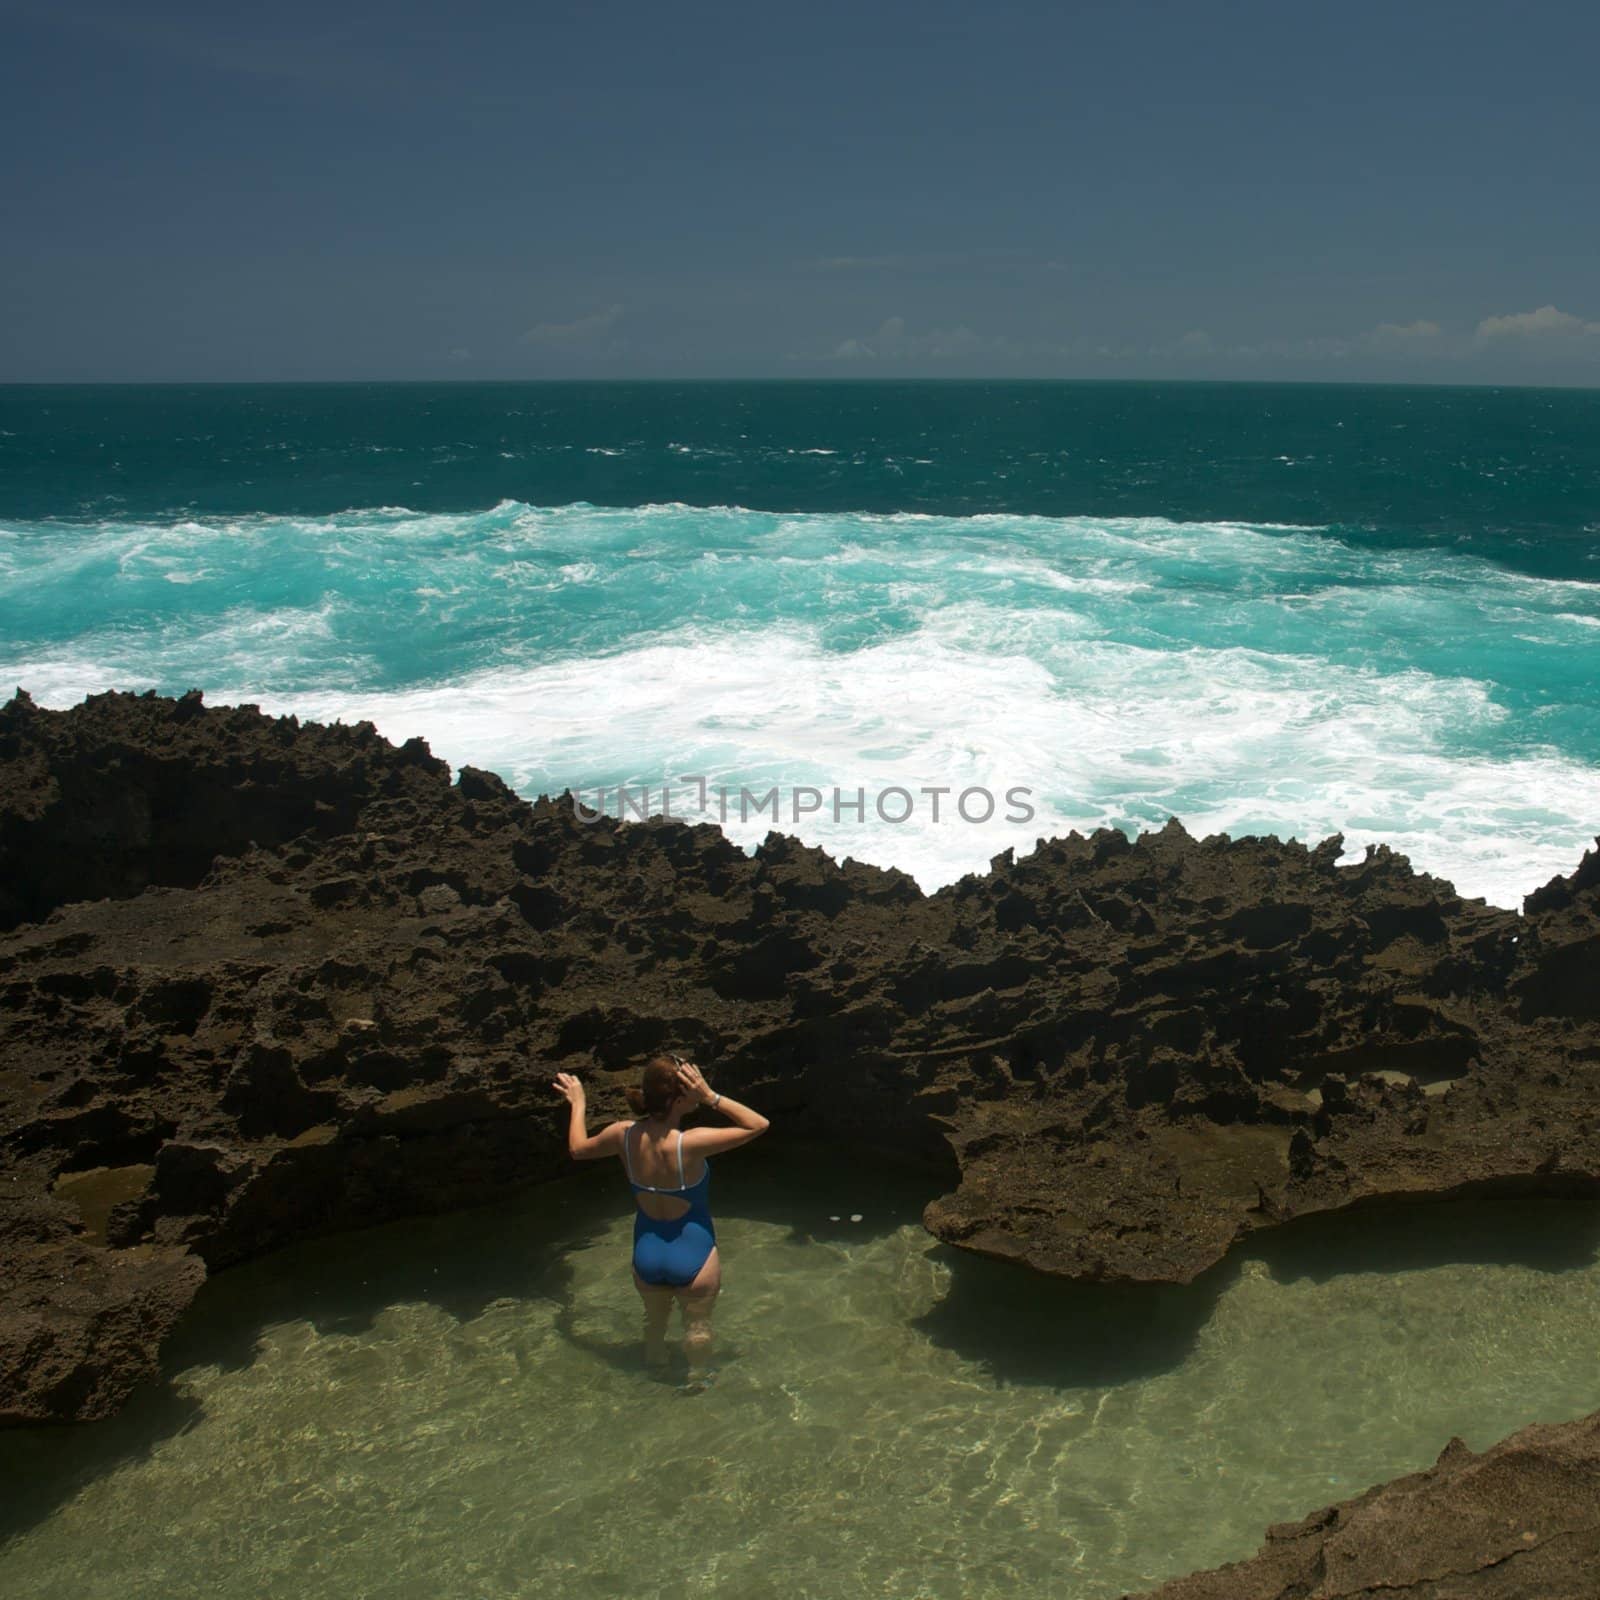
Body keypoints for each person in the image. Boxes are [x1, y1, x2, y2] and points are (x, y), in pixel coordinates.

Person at [553, 1053, 769, 1373]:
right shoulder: (690, 1143)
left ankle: (655, 1365)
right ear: (681, 1098)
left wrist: (578, 1101)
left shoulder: (623, 1135)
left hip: (648, 1253)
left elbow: (577, 1149)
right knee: (697, 1327)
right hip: (692, 1252)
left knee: (655, 1325)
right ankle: (698, 1380)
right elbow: (759, 1124)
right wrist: (711, 1096)